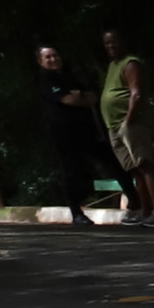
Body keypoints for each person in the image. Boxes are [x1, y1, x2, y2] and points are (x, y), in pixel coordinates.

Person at [34, 45, 113, 229]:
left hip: (86, 130)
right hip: (63, 134)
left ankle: (134, 201)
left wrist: (79, 96)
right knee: (72, 172)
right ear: (40, 61)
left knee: (111, 159)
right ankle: (76, 213)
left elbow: (92, 96)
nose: (53, 59)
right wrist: (76, 97)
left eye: (55, 55)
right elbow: (67, 99)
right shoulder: (45, 79)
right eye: (48, 57)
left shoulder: (70, 76)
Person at [100, 28, 154, 225]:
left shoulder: (130, 63)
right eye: (107, 43)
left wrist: (128, 120)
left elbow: (135, 93)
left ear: (124, 42)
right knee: (135, 170)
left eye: (114, 42)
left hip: (131, 124)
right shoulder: (113, 65)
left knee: (145, 165)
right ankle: (145, 212)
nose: (111, 46)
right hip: (114, 126)